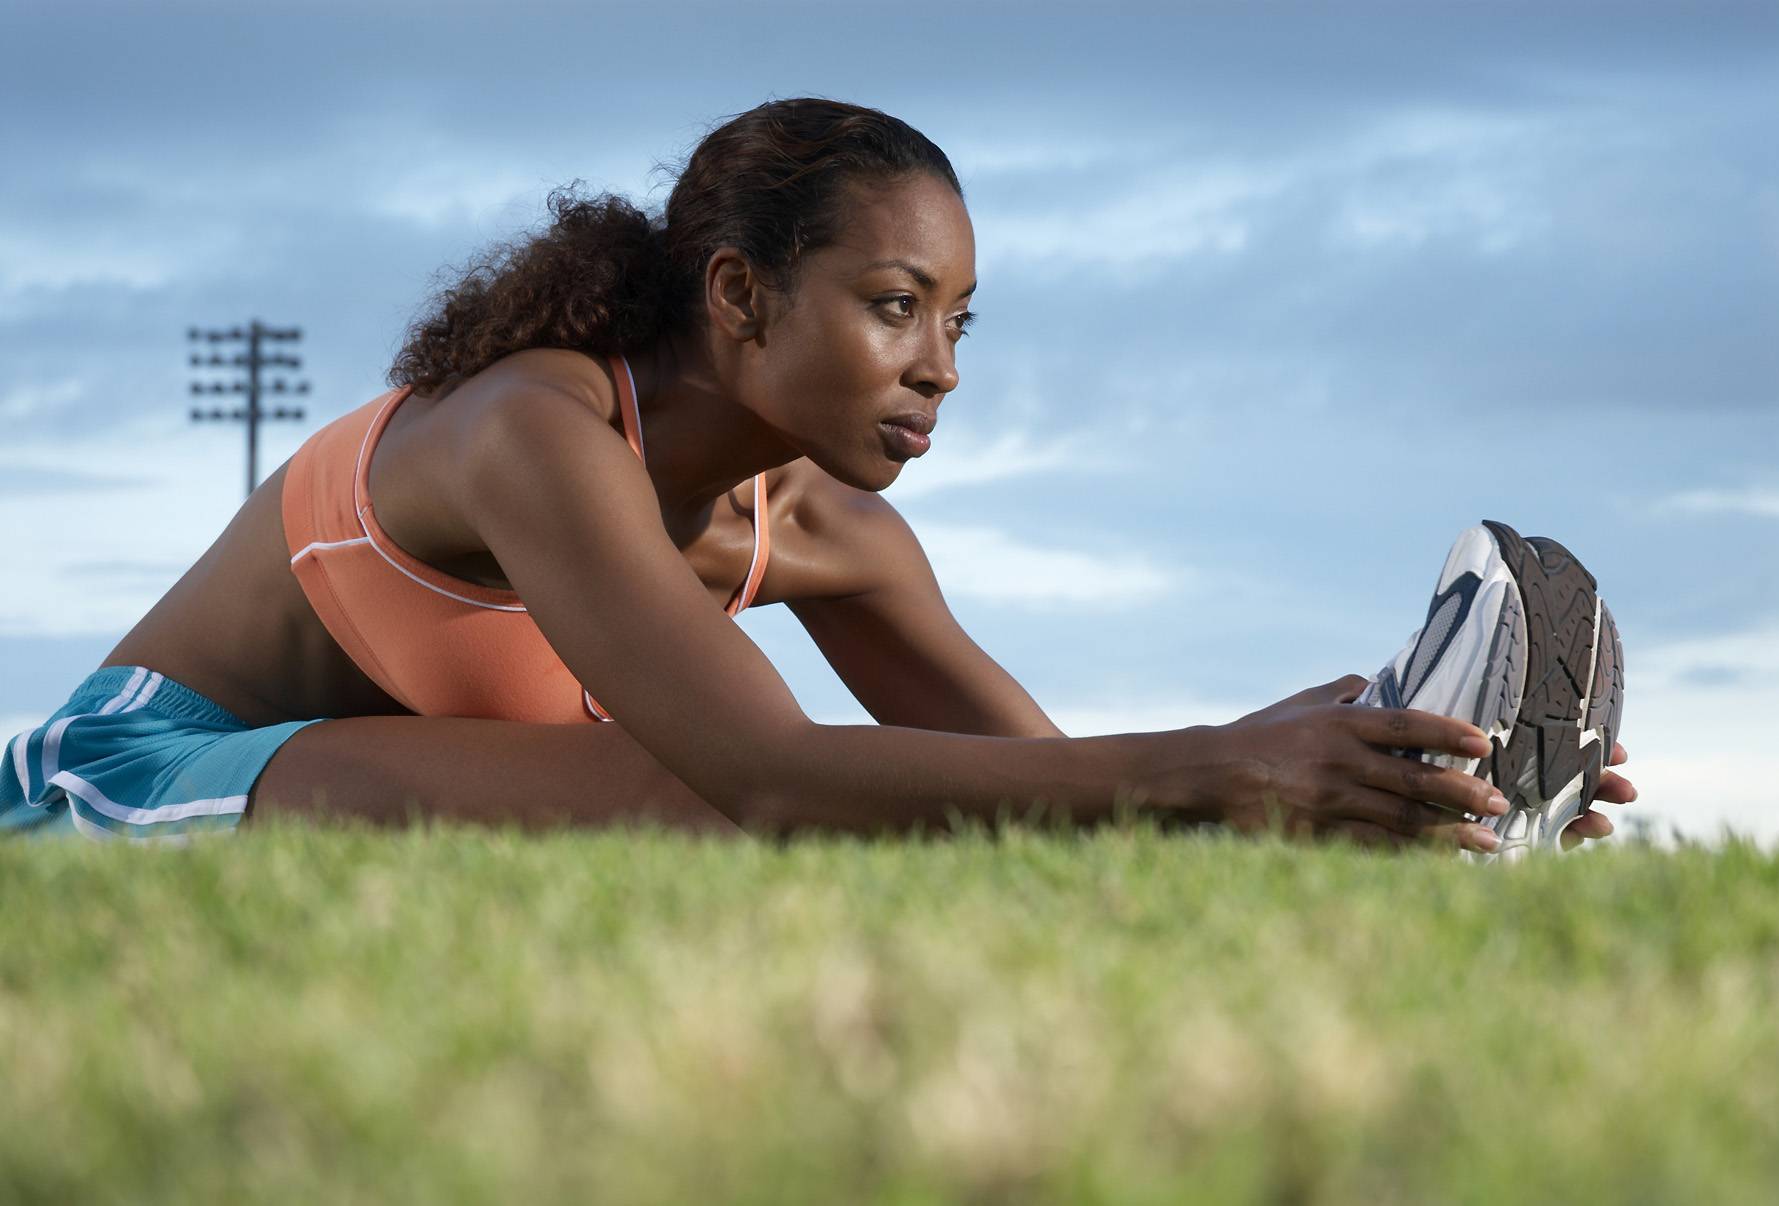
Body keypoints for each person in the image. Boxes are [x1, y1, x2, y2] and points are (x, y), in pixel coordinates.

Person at [1, 97, 1633, 849]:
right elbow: (771, 772)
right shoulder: (527, 431)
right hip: (136, 770)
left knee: (942, 817)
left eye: (960, 323)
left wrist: (1373, 756)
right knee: (695, 794)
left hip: (371, 758)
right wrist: (1222, 763)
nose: (941, 366)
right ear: (739, 295)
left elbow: (1052, 796)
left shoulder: (834, 535)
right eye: (895, 307)